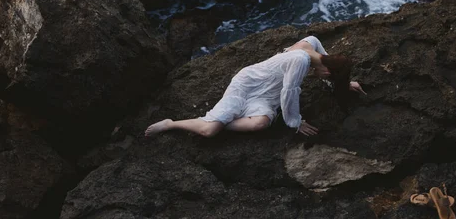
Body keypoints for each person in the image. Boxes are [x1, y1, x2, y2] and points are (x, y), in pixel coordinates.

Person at [145, 35, 366, 138]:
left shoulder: (311, 43)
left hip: (265, 97)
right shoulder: (301, 61)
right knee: (209, 131)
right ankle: (171, 124)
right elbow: (289, 94)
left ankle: (222, 121)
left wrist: (344, 83)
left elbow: (327, 61)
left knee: (261, 124)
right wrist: (295, 123)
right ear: (327, 71)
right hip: (247, 85)